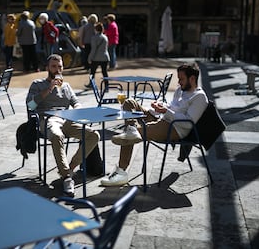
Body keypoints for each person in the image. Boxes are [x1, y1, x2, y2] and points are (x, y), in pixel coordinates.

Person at [101, 62, 208, 186]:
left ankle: (121, 172)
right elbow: (172, 106)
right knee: (129, 103)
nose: (179, 82)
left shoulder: (199, 97)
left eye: (181, 79)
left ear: (192, 78)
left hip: (174, 128)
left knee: (128, 137)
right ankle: (132, 129)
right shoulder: (180, 90)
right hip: (163, 118)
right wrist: (160, 106)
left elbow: (188, 123)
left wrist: (166, 111)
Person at [26, 54, 100, 196]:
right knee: (57, 135)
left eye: (59, 66)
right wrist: (49, 88)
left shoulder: (66, 86)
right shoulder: (37, 84)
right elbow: (30, 105)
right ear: (47, 68)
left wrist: (78, 110)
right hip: (49, 120)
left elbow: (76, 102)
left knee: (93, 135)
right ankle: (67, 178)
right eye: (54, 66)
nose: (57, 69)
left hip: (68, 119)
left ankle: (68, 169)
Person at [88, 23, 110, 90]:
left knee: (92, 72)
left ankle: (91, 84)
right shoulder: (105, 37)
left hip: (96, 57)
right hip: (105, 57)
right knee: (104, 72)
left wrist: (90, 57)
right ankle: (107, 86)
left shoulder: (94, 38)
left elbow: (93, 49)